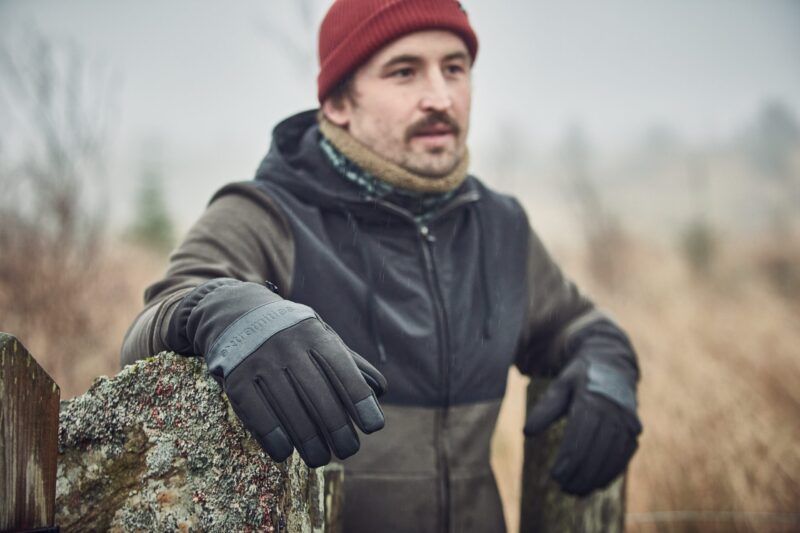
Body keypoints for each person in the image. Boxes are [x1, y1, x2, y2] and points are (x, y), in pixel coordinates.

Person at [121, 1, 642, 531]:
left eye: (455, 68)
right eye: (404, 71)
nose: (440, 97)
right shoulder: (266, 215)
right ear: (340, 102)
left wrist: (609, 367)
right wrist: (228, 311)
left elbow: (580, 326)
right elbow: (153, 324)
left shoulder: (500, 228)